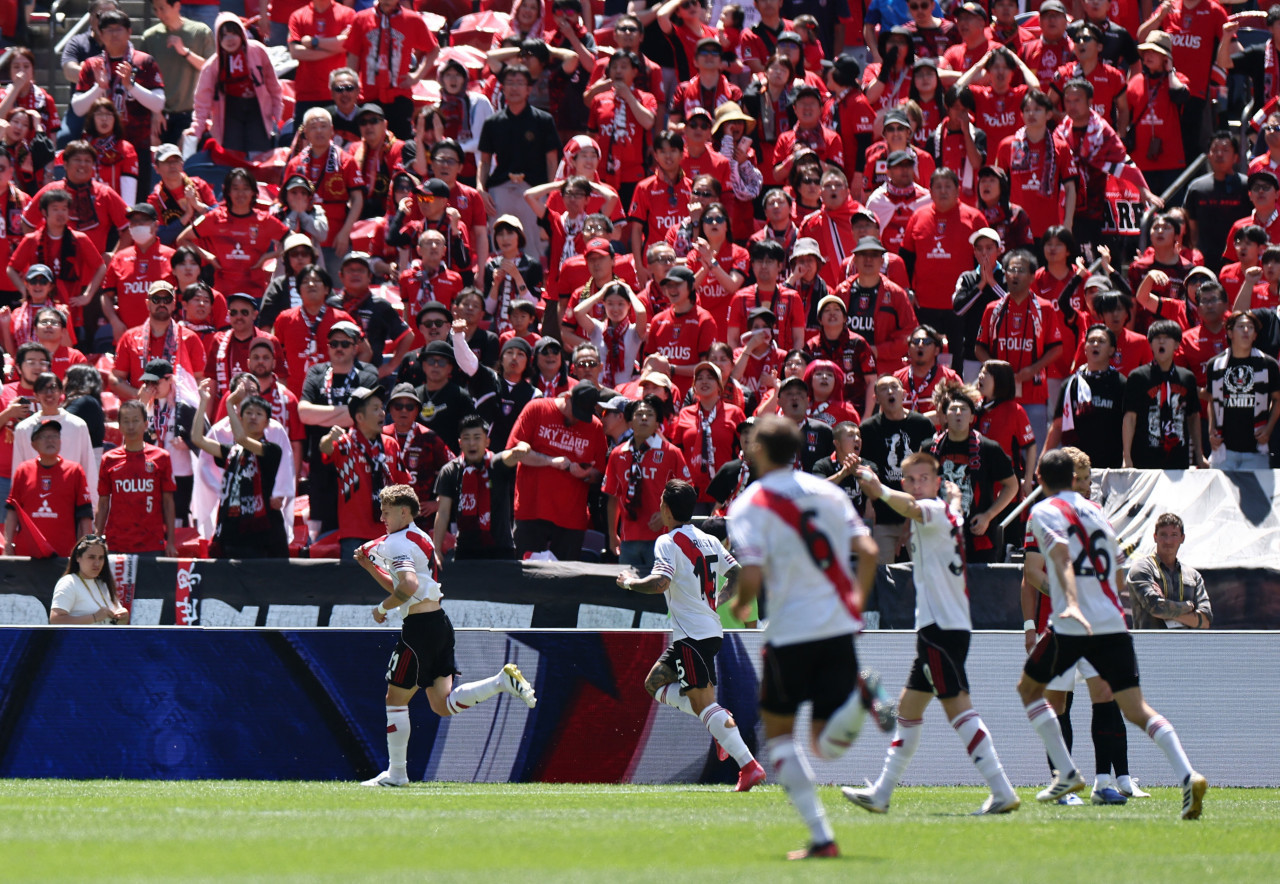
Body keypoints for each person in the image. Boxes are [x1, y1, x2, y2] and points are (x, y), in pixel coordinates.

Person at [1018, 448, 1208, 819]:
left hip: (1072, 621)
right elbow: (1119, 574)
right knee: (1135, 709)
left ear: (1041, 479)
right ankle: (1188, 774)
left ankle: (1066, 773)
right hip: (1112, 621)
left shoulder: (1043, 511)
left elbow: (1052, 557)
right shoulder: (1098, 513)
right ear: (1077, 480)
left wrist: (1070, 596)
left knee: (1029, 691)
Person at [725, 415, 883, 860]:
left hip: (791, 631)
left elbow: (752, 572)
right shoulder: (829, 493)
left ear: (756, 450)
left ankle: (821, 837)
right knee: (822, 745)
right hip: (837, 625)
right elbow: (868, 551)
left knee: (780, 739)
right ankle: (861, 694)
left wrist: (741, 606)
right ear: (798, 450)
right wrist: (854, 599)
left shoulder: (750, 504)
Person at [845, 453, 1020, 815]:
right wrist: (953, 496)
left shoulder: (933, 511)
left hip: (941, 629)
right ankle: (881, 792)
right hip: (941, 627)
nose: (916, 485)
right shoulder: (949, 511)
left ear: (936, 483)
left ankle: (1002, 789)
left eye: (923, 478)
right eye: (910, 479)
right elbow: (936, 506)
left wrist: (880, 490)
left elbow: (912, 507)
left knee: (958, 708)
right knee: (908, 711)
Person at [356, 484, 536, 787]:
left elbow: (407, 587)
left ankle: (397, 775)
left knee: (395, 700)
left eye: (386, 512)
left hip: (419, 630)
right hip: (439, 623)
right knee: (442, 705)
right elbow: (407, 587)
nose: (382, 518)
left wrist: (382, 609)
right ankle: (501, 681)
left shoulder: (397, 542)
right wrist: (370, 568)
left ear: (403, 511)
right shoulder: (420, 537)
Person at [617, 477, 765, 789]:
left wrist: (629, 582)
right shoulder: (708, 539)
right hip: (706, 631)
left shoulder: (667, 542)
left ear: (667, 510)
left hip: (693, 636)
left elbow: (660, 583)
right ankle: (718, 721)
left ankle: (749, 765)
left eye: (661, 503)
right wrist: (716, 602)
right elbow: (738, 574)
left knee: (704, 705)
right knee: (654, 683)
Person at [505, 382, 607, 560]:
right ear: (567, 398)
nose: (577, 420)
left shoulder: (595, 427)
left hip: (571, 518)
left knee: (565, 583)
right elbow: (515, 453)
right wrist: (551, 462)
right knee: (527, 580)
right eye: (575, 413)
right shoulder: (537, 408)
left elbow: (599, 474)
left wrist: (586, 475)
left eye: (583, 416)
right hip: (532, 511)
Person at [974, 249, 1064, 449]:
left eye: (1021, 270)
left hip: (1033, 392)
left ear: (1033, 276)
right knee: (997, 448)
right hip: (998, 393)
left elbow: (1057, 348)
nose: (1015, 274)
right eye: (1011, 270)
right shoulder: (992, 309)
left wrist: (1032, 369)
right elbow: (979, 348)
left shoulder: (1045, 308)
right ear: (1004, 274)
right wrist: (996, 372)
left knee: (1035, 448)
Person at [190, 379, 290, 557]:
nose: (253, 417)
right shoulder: (233, 452)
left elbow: (242, 439)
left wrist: (229, 403)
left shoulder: (271, 450)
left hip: (263, 536)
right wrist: (203, 402)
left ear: (267, 423)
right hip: (233, 532)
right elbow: (198, 439)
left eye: (258, 414)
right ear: (240, 420)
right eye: (248, 413)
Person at [927, 382, 1018, 563]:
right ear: (944, 417)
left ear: (972, 417)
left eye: (964, 409)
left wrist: (988, 516)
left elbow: (1012, 486)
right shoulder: (929, 449)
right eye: (953, 409)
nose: (958, 413)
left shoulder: (989, 448)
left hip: (978, 537)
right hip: (939, 534)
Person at [478, 64, 562, 261]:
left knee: (534, 246)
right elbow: (484, 161)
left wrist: (551, 195)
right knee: (501, 243)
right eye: (510, 83)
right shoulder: (493, 122)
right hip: (501, 187)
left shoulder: (543, 120)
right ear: (503, 88)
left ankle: (533, 288)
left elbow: (552, 161)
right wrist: (481, 189)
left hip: (534, 189)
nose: (514, 88)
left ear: (529, 89)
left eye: (519, 83)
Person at [603, 396, 691, 570]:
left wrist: (667, 515)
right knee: (628, 592)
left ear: (658, 422)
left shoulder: (671, 453)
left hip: (663, 538)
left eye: (650, 414)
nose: (644, 418)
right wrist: (612, 535)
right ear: (629, 422)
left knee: (661, 592)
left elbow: (687, 494)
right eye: (639, 414)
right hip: (628, 539)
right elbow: (613, 497)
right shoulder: (617, 454)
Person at [95, 399, 178, 557]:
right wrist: (98, 538)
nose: (131, 426)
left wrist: (171, 542)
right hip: (117, 543)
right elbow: (103, 503)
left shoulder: (161, 457)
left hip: (152, 543)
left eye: (135, 420)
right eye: (126, 421)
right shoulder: (109, 459)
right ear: (119, 426)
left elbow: (168, 502)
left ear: (146, 424)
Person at [1122, 319, 1207, 470]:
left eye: (1167, 337)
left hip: (1178, 460)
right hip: (1145, 459)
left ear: (1176, 345)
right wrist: (1126, 457)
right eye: (1156, 338)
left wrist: (1199, 456)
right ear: (1150, 344)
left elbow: (1193, 417)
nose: (1161, 341)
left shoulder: (1187, 377)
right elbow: (1130, 418)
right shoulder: (1138, 377)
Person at [433, 414, 517, 563]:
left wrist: (523, 447)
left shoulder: (497, 464)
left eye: (477, 437)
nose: (472, 443)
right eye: (466, 438)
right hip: (466, 552)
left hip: (501, 550)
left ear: (487, 441)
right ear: (459, 442)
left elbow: (514, 455)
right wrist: (437, 550)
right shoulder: (450, 471)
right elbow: (443, 512)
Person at [4, 420, 93, 558]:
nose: (50, 440)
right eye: (43, 436)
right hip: (27, 554)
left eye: (54, 435)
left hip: (64, 554)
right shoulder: (23, 470)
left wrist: (86, 549)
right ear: (33, 444)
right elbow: (12, 511)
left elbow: (85, 514)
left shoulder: (74, 471)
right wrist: (8, 545)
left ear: (60, 441)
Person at [1204, 311, 1280, 470]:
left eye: (1250, 327)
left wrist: (1269, 429)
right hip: (1224, 450)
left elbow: (1277, 399)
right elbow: (1212, 400)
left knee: (1255, 495)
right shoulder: (1215, 365)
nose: (1246, 330)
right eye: (1241, 326)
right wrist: (1211, 430)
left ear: (1255, 335)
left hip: (1257, 450)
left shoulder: (1268, 364)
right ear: (1230, 332)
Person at [1045, 325, 1127, 469]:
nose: (1095, 344)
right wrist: (1043, 459)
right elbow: (1057, 426)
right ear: (1085, 348)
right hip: (1077, 469)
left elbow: (1128, 425)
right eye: (1091, 341)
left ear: (1111, 350)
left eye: (1101, 341)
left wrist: (1127, 459)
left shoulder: (1120, 383)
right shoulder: (1072, 384)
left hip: (1111, 466)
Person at [111, 280, 207, 399]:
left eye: (167, 300)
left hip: (177, 410)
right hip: (143, 409)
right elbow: (116, 378)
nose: (162, 304)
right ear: (148, 303)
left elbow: (199, 378)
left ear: (173, 304)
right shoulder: (129, 337)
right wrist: (138, 395)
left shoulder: (190, 338)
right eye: (156, 299)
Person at [141, 0, 214, 146]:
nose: (159, 14)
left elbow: (212, 69)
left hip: (192, 115)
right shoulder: (150, 37)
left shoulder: (200, 32)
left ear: (177, 6)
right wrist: (154, 111)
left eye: (163, 8)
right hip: (161, 117)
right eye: (156, 10)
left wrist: (185, 52)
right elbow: (144, 77)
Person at [1128, 513, 1213, 630]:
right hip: (1150, 645)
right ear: (1155, 537)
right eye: (1163, 535)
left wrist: (1166, 607)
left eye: (1174, 535)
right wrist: (1189, 606)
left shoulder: (1193, 576)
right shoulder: (1142, 568)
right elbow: (1155, 607)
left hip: (1186, 646)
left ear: (1182, 538)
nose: (1168, 541)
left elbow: (1205, 621)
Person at [1182, 132, 1251, 276]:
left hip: (1240, 260)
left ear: (1236, 157)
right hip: (1204, 261)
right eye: (1215, 150)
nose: (1219, 154)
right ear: (1208, 155)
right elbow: (1191, 229)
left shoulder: (1247, 187)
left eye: (1225, 150)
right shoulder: (1197, 188)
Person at [48, 534, 129, 625]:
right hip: (79, 639)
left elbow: (115, 624)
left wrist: (123, 618)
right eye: (91, 557)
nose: (97, 563)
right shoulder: (69, 582)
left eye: (101, 558)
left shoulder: (104, 584)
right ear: (78, 557)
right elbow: (55, 621)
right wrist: (94, 617)